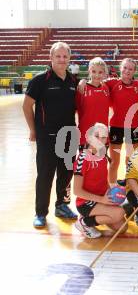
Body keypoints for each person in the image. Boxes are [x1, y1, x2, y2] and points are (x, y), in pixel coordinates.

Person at [23, 41, 78, 228]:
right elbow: (26, 106)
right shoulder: (40, 80)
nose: (62, 60)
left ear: (69, 58)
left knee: (66, 174)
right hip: (47, 137)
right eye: (58, 56)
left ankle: (62, 205)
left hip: (69, 136)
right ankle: (40, 212)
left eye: (65, 56)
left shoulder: (73, 81)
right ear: (51, 58)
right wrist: (33, 129)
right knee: (45, 175)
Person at [73, 123, 126, 238]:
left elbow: (102, 180)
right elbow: (77, 191)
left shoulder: (102, 155)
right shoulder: (83, 158)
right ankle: (84, 223)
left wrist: (112, 191)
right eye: (97, 136)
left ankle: (94, 218)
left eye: (103, 137)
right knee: (119, 213)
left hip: (102, 198)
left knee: (122, 227)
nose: (100, 140)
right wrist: (102, 200)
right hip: (85, 202)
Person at [76, 57, 110, 150]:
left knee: (102, 164)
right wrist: (82, 81)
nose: (97, 75)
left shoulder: (106, 88)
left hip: (102, 137)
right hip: (85, 137)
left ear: (104, 73)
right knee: (85, 164)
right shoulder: (82, 88)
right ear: (89, 71)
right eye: (94, 71)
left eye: (100, 72)